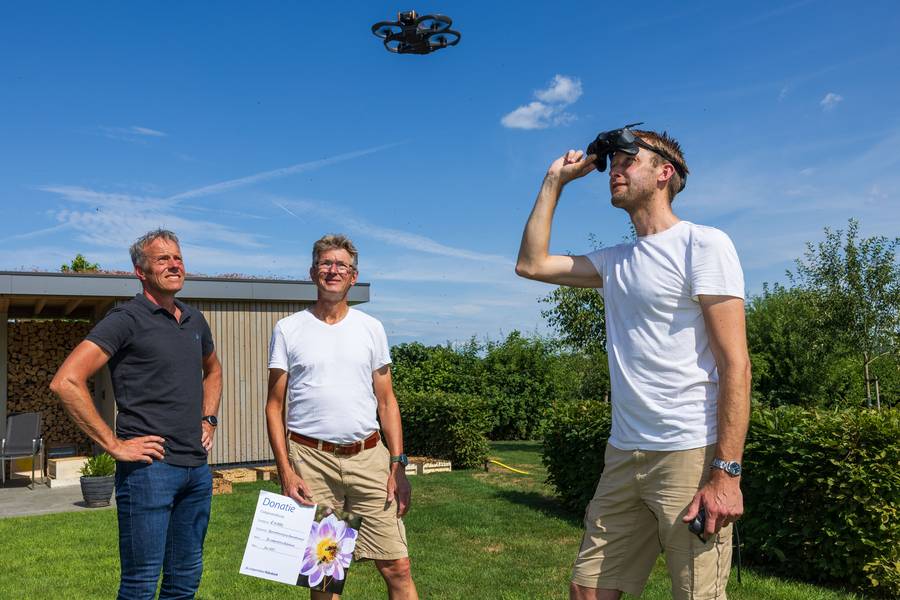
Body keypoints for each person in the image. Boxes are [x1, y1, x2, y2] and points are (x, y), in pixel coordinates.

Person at [516, 126, 751, 600]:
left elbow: (736, 365)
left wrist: (726, 473)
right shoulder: (615, 261)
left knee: (697, 596)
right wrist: (554, 181)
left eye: (628, 161)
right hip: (623, 455)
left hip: (688, 452)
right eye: (613, 164)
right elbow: (531, 264)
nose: (614, 171)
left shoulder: (703, 244)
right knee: (587, 591)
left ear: (664, 173)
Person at [51, 229, 222, 600]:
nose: (174, 265)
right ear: (140, 271)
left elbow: (213, 370)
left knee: (185, 580)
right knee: (140, 584)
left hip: (196, 470)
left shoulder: (194, 320)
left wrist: (208, 419)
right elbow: (66, 381)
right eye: (163, 259)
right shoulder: (126, 319)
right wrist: (114, 445)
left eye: (177, 258)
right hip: (149, 473)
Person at [265, 234, 418, 600]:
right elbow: (274, 405)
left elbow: (387, 402)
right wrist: (286, 471)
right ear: (312, 272)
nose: (333, 270)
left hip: (369, 459)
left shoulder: (371, 328)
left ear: (353, 276)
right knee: (325, 577)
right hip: (311, 463)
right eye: (326, 263)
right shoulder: (288, 329)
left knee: (398, 566)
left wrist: (398, 465)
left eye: (341, 265)